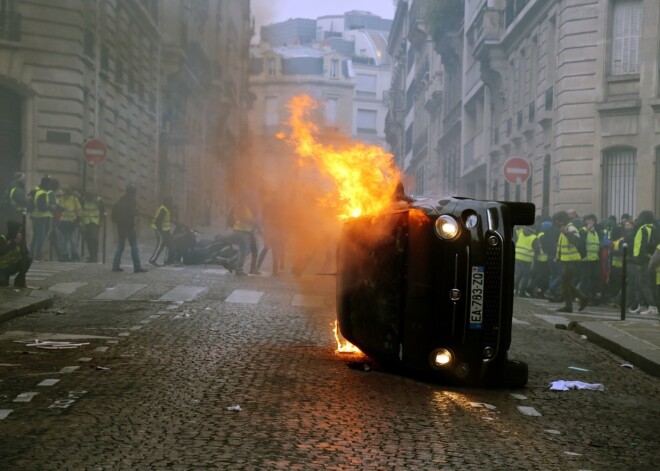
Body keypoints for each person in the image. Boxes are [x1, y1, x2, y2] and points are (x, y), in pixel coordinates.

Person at [553, 210, 588, 313]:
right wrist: (558, 257)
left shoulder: (570, 228)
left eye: (558, 220)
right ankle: (581, 299)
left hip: (572, 260)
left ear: (562, 220)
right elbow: (561, 246)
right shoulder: (564, 229)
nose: (557, 223)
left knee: (565, 283)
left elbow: (576, 240)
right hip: (566, 260)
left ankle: (572, 305)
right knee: (566, 283)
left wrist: (567, 233)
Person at [111, 183, 147, 273]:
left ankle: (115, 265)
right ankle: (137, 266)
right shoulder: (132, 201)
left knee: (120, 246)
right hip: (129, 227)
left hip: (121, 227)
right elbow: (132, 213)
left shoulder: (121, 200)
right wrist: (136, 212)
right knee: (134, 246)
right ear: (134, 192)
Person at [629, 210, 657, 315]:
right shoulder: (654, 228)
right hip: (651, 258)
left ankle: (651, 306)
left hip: (643, 260)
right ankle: (642, 305)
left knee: (643, 283)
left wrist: (638, 262)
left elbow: (641, 247)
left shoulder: (643, 229)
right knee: (639, 283)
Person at [229, 201, 258, 276]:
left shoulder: (245, 207)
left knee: (245, 251)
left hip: (243, 232)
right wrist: (252, 221)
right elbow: (242, 218)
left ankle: (231, 261)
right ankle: (238, 269)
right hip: (241, 232)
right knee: (244, 252)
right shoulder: (241, 207)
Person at [0, 220, 32, 288]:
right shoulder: (2, 238)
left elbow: (25, 254)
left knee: (28, 259)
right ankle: (4, 278)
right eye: (17, 231)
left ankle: (19, 281)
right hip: (1, 268)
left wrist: (22, 244)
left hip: (12, 266)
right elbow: (2, 251)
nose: (18, 233)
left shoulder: (19, 240)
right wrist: (14, 242)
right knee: (3, 284)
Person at [577, 214, 601, 304]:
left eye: (592, 220)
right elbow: (581, 241)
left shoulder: (595, 232)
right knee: (585, 279)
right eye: (588, 220)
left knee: (594, 279)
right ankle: (581, 297)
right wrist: (587, 229)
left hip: (594, 259)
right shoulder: (583, 230)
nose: (591, 222)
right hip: (585, 260)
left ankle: (591, 296)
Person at [29, 175, 52, 261]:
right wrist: (51, 207)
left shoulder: (36, 190)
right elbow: (42, 207)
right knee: (40, 237)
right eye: (49, 183)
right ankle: (38, 255)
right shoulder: (42, 193)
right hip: (40, 217)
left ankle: (31, 254)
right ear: (46, 183)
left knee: (35, 236)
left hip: (35, 216)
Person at [57, 186, 82, 261]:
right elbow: (57, 210)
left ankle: (72, 254)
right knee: (65, 239)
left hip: (72, 222)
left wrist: (78, 220)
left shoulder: (74, 200)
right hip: (64, 222)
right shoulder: (60, 200)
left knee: (71, 239)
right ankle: (65, 255)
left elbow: (79, 210)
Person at [514, 225, 538, 297]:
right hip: (527, 259)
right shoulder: (534, 237)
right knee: (526, 276)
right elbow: (537, 249)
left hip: (518, 257)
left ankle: (515, 290)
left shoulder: (521, 234)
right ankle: (522, 292)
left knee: (518, 274)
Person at [149, 196, 173, 266]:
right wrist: (161, 231)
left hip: (166, 230)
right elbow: (158, 221)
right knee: (160, 244)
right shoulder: (163, 209)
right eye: (170, 202)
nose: (171, 204)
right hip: (159, 230)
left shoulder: (166, 209)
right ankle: (152, 260)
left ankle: (168, 261)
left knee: (170, 244)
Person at [81, 191, 105, 263]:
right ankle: (91, 256)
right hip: (87, 222)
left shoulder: (98, 202)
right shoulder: (84, 201)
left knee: (94, 239)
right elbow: (82, 210)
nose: (88, 198)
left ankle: (94, 256)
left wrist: (101, 220)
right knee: (88, 239)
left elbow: (102, 211)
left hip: (95, 222)